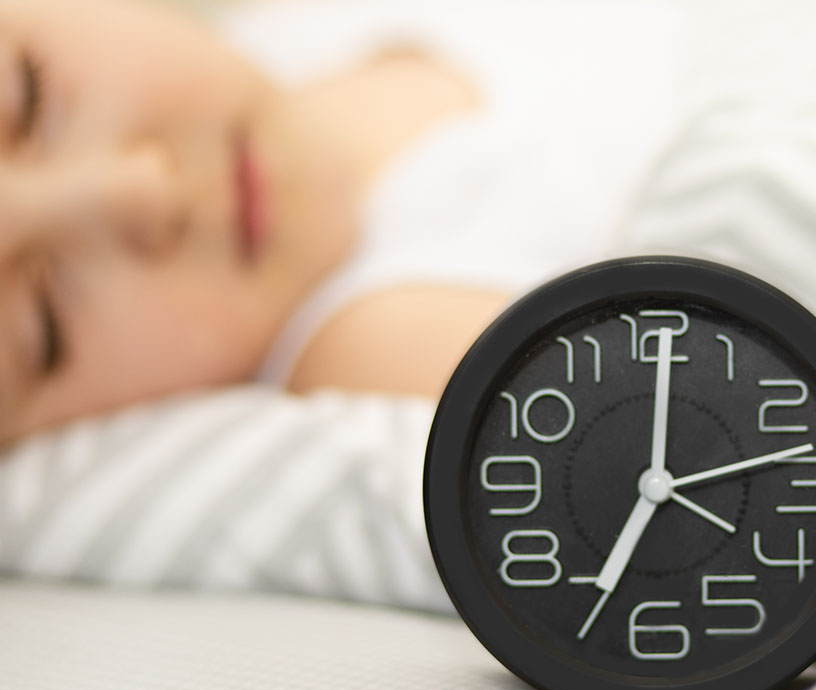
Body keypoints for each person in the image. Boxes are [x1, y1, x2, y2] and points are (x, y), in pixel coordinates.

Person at [0, 0, 678, 445]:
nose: (148, 191)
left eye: (27, 90)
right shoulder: (374, 341)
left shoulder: (284, 28)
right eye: (47, 329)